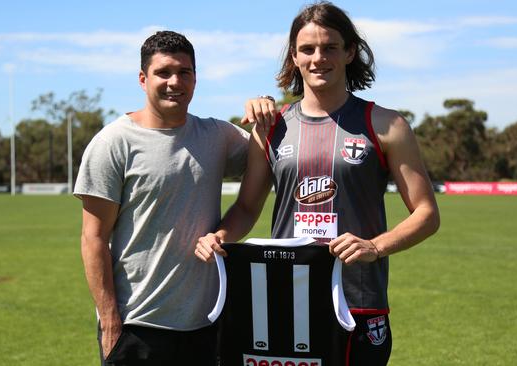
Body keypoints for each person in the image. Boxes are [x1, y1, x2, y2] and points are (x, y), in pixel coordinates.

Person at [195, 2, 440, 365]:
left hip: (359, 301)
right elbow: (247, 208)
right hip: (284, 300)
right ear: (294, 56)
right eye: (307, 49)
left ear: (350, 52)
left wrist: (375, 246)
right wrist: (220, 236)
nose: (318, 58)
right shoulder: (271, 126)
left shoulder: (387, 125)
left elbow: (426, 213)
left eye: (329, 47)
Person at [74, 30, 275, 366]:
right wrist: (110, 321)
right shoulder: (114, 142)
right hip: (137, 324)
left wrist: (265, 106)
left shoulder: (217, 135)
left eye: (185, 72)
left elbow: (267, 161)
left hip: (208, 322)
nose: (174, 82)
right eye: (163, 72)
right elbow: (93, 239)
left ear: (195, 79)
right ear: (142, 79)